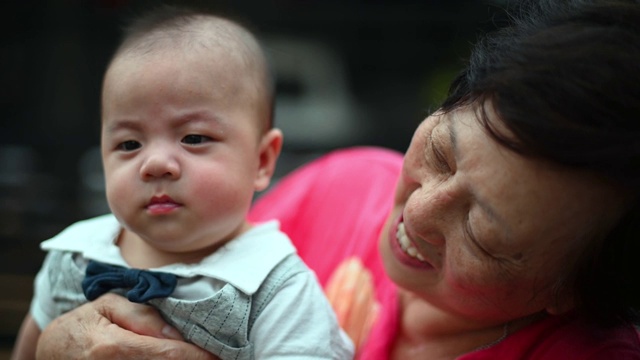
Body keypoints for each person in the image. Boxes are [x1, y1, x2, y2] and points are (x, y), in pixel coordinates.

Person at [32, 0, 640, 358]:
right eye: (443, 154)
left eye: (482, 234)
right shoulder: (343, 191)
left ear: (575, 287)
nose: (417, 214)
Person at [10, 5, 353, 360]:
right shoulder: (75, 256)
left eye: (193, 138)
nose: (155, 163)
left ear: (262, 160)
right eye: (129, 144)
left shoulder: (278, 290)